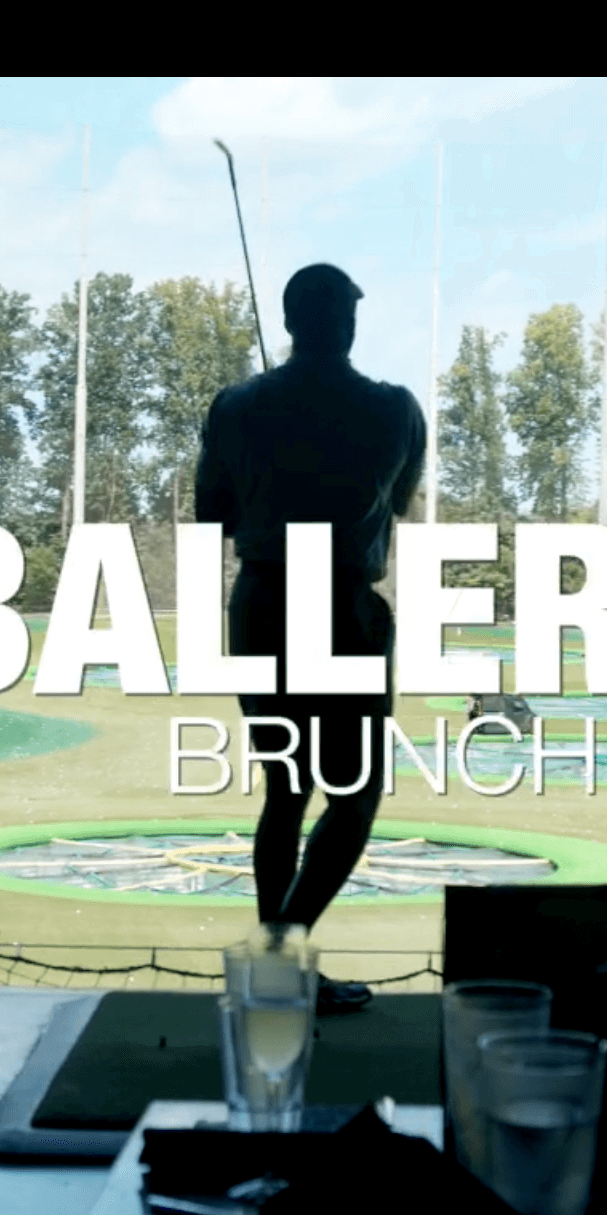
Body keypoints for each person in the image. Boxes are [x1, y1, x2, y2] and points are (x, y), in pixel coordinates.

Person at [196, 264, 426, 1013]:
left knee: (285, 791)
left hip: (263, 601)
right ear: (347, 324)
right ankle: (280, 957)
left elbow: (211, 516)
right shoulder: (394, 408)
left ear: (291, 322)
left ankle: (276, 963)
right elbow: (397, 501)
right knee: (354, 798)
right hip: (342, 606)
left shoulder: (234, 406)